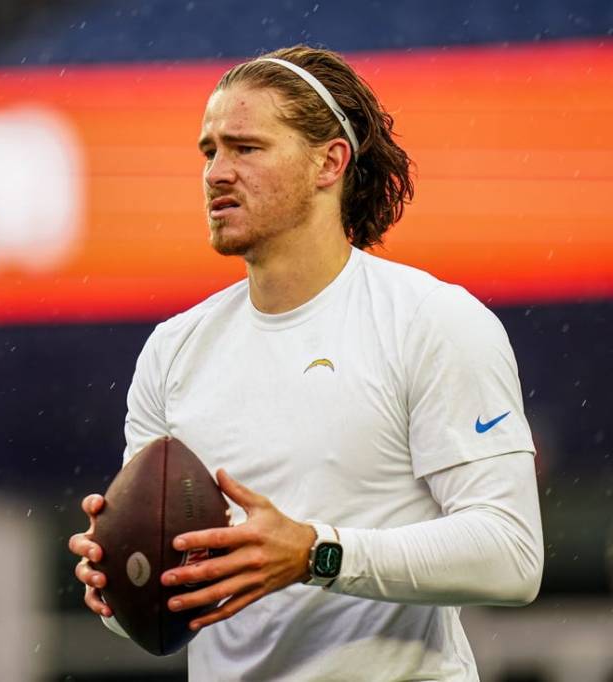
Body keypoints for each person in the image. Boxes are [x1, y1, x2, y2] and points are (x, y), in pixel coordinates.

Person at [67, 44, 543, 681]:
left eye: (246, 148)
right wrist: (119, 581)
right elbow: (148, 614)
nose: (215, 173)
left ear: (330, 162)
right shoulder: (173, 350)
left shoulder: (433, 321)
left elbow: (511, 556)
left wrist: (319, 554)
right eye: (209, 151)